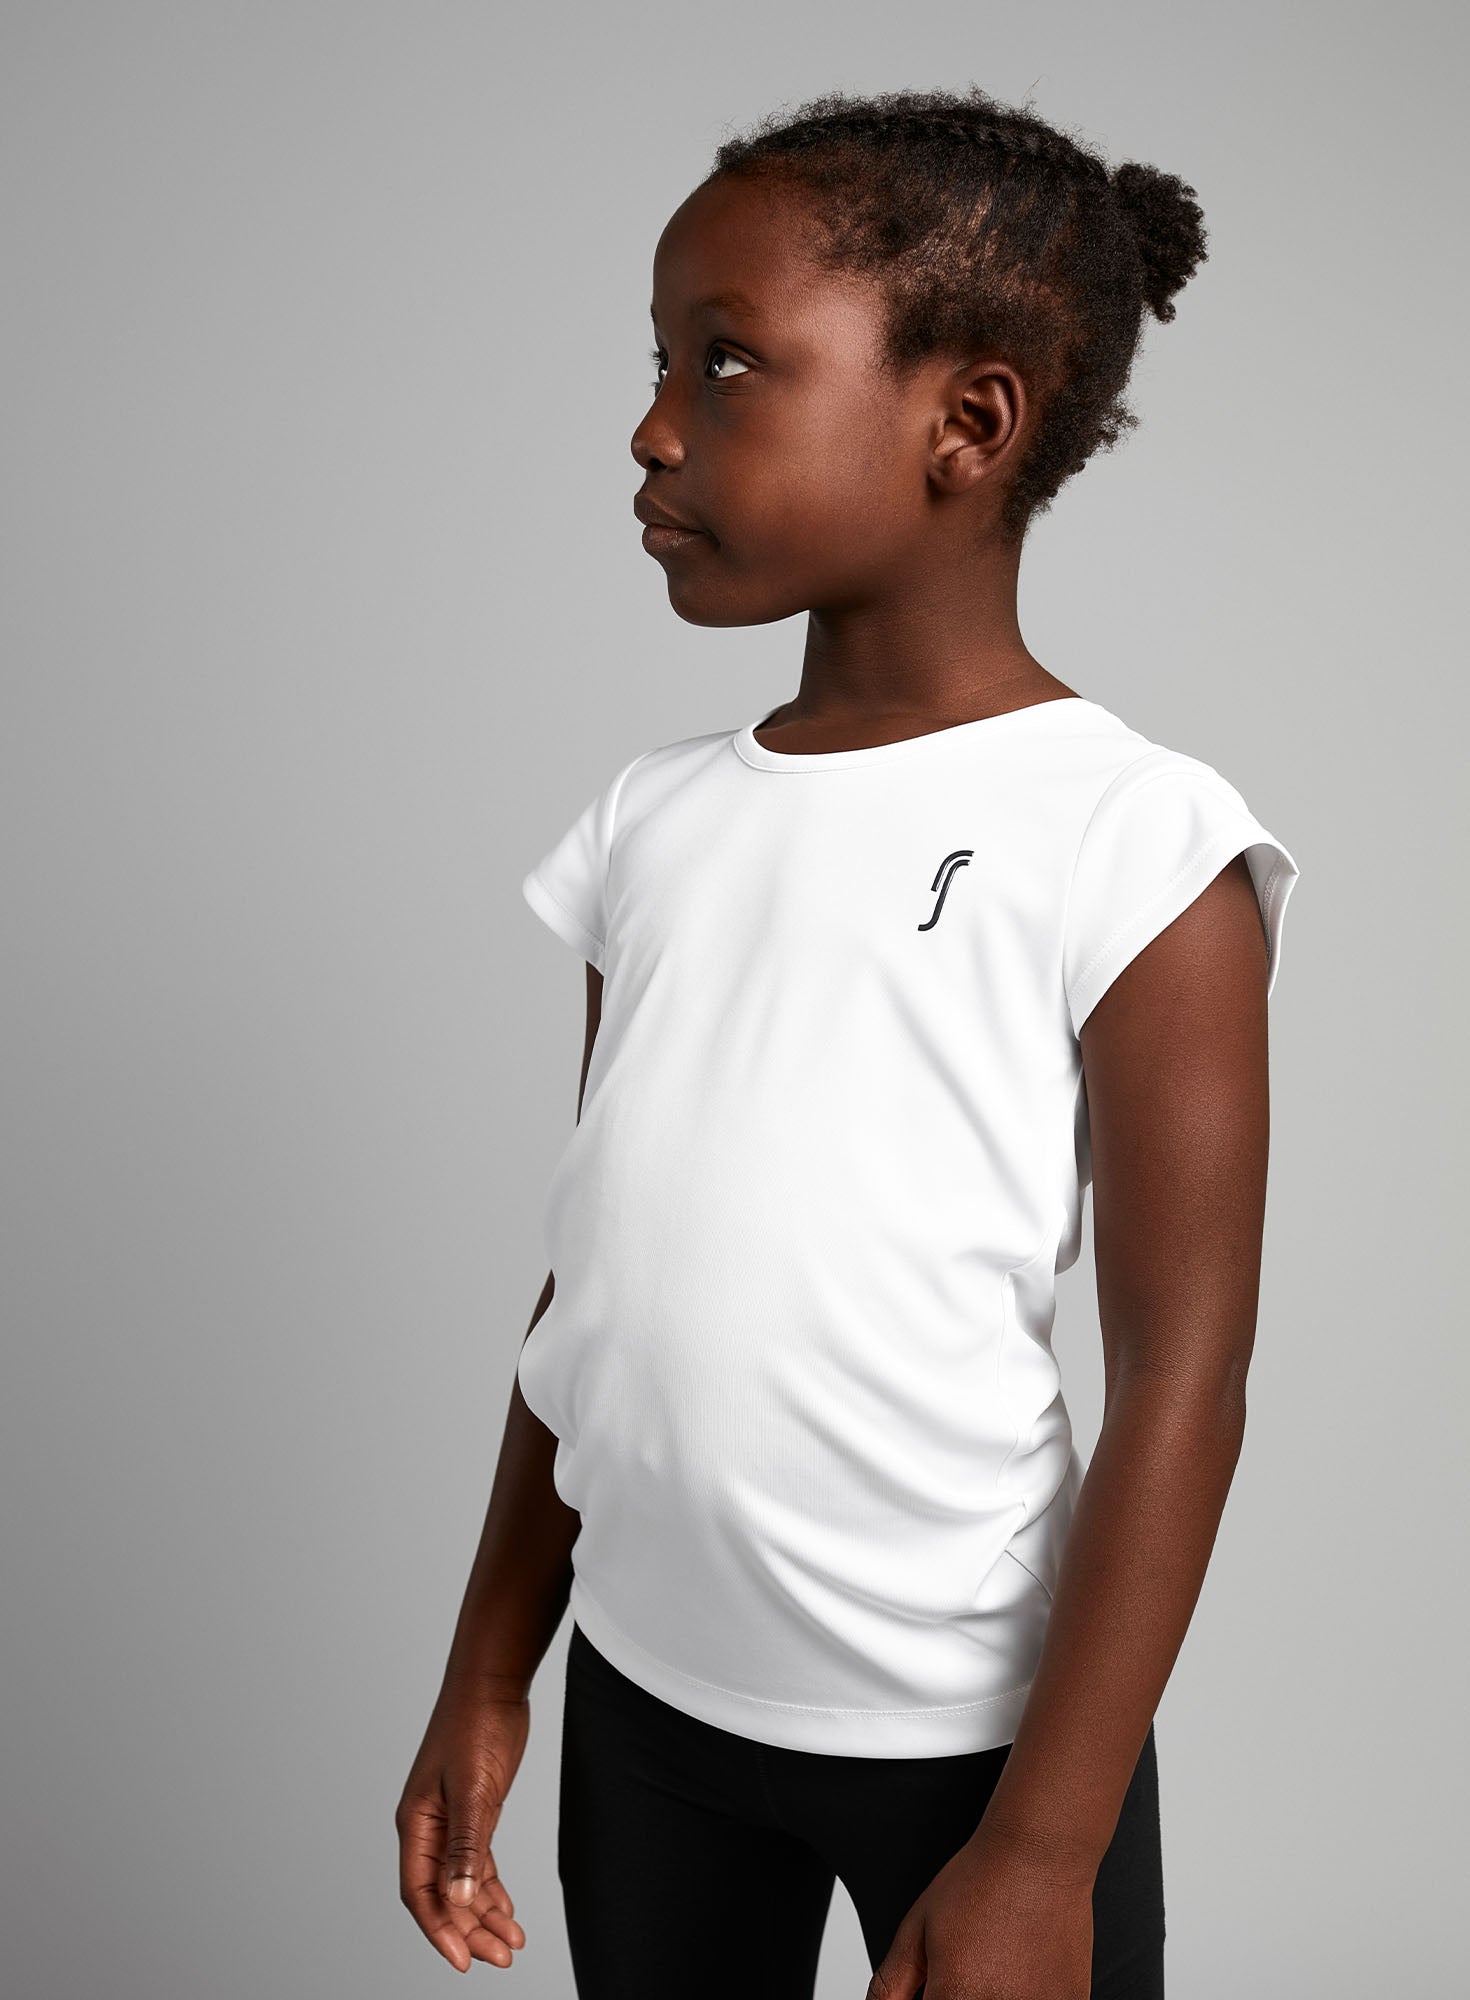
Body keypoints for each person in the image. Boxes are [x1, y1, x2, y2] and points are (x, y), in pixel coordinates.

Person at [395, 84, 1300, 1999]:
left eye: (725, 365)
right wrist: (491, 1668)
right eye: (657, 362)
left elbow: (1183, 1385)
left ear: (967, 425)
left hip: (974, 1758)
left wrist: (1042, 1855)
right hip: (647, 1707)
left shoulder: (1132, 837)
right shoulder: (650, 821)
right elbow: (592, 1285)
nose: (653, 426)